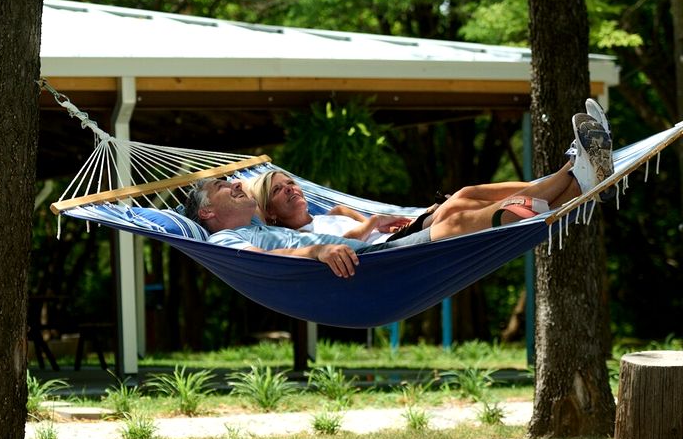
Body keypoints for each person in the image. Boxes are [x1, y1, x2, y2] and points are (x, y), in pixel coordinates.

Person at [182, 103, 613, 278]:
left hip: (384, 245)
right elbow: (263, 260)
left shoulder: (279, 224)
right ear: (207, 214)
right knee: (456, 218)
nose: (235, 184)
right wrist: (317, 252)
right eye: (224, 186)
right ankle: (576, 178)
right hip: (378, 261)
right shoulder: (228, 239)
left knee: (460, 200)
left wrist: (366, 223)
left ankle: (575, 175)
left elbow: (334, 228)